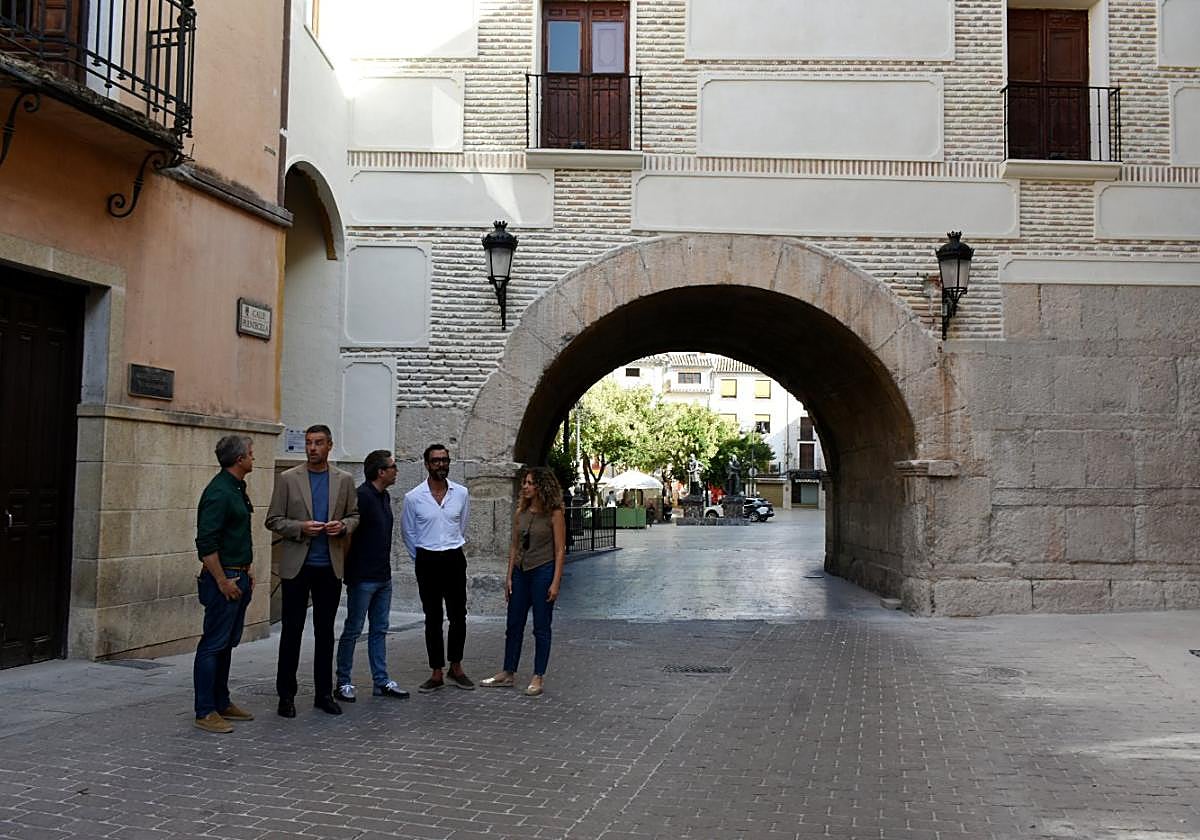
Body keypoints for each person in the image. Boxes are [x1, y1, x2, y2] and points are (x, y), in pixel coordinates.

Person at [266, 424, 359, 717]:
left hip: (329, 566)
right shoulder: (288, 479)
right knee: (291, 632)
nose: (312, 448)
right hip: (297, 567)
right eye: (308, 443)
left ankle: (323, 694)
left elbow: (354, 515)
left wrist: (342, 526)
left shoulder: (344, 480)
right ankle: (286, 695)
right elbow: (273, 520)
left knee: (325, 633)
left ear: (329, 445)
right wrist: (300, 528)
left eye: (318, 443)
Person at [481, 467, 566, 697]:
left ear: (541, 486)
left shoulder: (554, 514)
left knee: (541, 627)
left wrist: (555, 582)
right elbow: (514, 547)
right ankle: (508, 671)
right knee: (513, 624)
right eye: (525, 483)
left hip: (543, 571)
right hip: (521, 572)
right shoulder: (521, 513)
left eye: (530, 483)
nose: (525, 486)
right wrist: (509, 576)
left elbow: (560, 550)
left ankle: (538, 675)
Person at [192, 435, 257, 734]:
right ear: (239, 459)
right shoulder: (219, 492)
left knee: (226, 643)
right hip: (225, 578)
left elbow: (235, 535)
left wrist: (247, 570)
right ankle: (205, 710)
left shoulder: (236, 487)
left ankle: (221, 700)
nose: (254, 458)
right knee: (213, 644)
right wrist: (221, 580)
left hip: (238, 574)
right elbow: (206, 543)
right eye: (251, 453)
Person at [335, 449, 408, 703]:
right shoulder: (362, 497)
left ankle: (381, 680)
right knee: (353, 629)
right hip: (363, 577)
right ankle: (343, 681)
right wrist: (347, 569)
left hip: (383, 576)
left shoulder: (384, 497)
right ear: (381, 471)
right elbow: (348, 535)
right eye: (393, 467)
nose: (396, 471)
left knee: (380, 629)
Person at [401, 443, 474, 693]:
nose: (441, 464)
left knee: (458, 615)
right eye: (435, 461)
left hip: (454, 558)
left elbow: (461, 525)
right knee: (432, 617)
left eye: (444, 460)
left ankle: (456, 666)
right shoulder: (413, 497)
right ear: (426, 465)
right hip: (427, 560)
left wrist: (448, 547)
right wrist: (422, 557)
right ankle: (436, 671)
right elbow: (408, 533)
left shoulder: (461, 493)